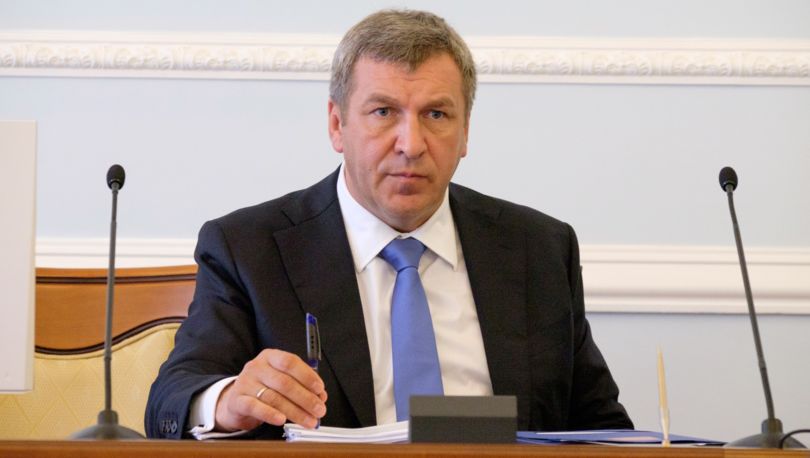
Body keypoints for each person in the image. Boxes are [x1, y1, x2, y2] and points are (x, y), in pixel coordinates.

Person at [145, 9, 632, 439]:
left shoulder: (539, 248)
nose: (411, 144)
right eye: (383, 112)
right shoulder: (249, 248)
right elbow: (172, 398)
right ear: (337, 125)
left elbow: (602, 428)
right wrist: (228, 402)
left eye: (436, 114)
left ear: (465, 131)